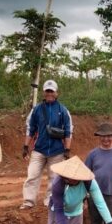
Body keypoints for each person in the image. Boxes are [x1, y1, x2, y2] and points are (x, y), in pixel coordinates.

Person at [20, 79, 73, 209]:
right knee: (32, 175)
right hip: (39, 149)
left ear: (56, 93)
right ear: (44, 92)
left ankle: (50, 201)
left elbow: (68, 130)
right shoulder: (37, 110)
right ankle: (28, 201)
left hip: (57, 151)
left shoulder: (63, 110)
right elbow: (30, 128)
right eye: (47, 91)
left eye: (52, 91)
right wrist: (26, 146)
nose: (49, 93)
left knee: (54, 179)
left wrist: (67, 149)